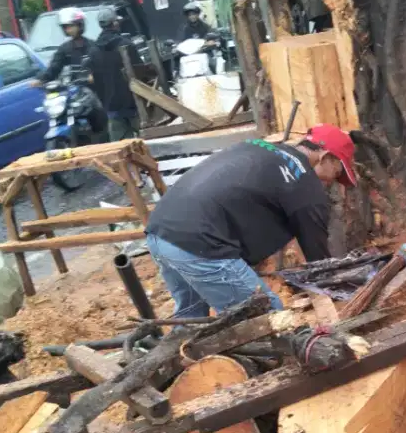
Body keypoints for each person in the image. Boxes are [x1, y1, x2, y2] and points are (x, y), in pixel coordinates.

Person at [145, 124, 358, 317]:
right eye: (338, 172)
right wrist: (338, 289)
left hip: (160, 231)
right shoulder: (305, 183)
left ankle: (175, 348)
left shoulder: (258, 147)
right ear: (326, 157)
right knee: (266, 317)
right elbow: (319, 262)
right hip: (200, 244)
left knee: (192, 318)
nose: (333, 181)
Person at [89, 7, 142, 141]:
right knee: (145, 142)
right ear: (114, 23)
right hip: (134, 103)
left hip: (111, 107)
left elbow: (96, 81)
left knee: (121, 146)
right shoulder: (127, 44)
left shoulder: (93, 51)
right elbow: (141, 71)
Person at [34, 7, 94, 85]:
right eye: (65, 27)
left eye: (71, 26)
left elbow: (103, 66)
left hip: (94, 88)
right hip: (75, 88)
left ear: (80, 25)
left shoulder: (93, 46)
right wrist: (41, 80)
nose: (68, 30)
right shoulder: (65, 49)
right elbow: (54, 67)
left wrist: (94, 75)